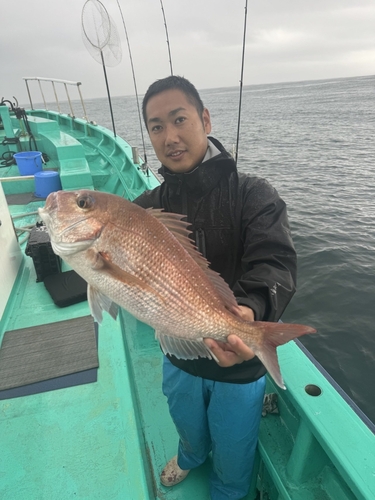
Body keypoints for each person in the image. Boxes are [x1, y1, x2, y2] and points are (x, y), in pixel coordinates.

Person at [133, 75, 297, 499]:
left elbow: (275, 264)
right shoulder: (144, 210)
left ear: (205, 119)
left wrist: (248, 309)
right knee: (185, 420)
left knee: (235, 443)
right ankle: (189, 456)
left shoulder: (254, 195)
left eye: (179, 119)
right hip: (180, 354)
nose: (169, 137)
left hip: (240, 363)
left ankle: (227, 489)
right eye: (155, 126)